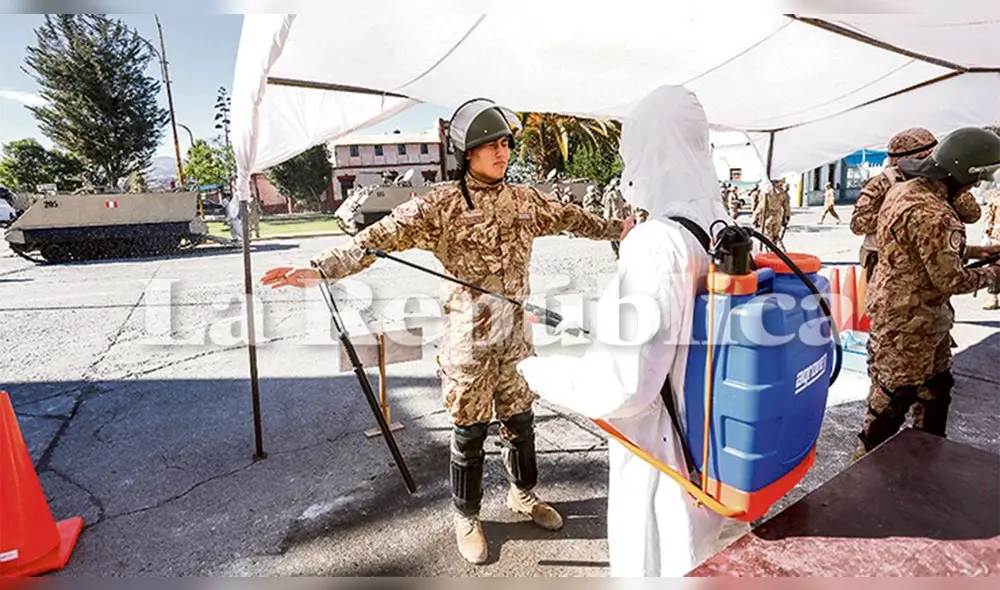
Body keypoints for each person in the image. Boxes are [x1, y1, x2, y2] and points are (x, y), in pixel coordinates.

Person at [261, 97, 634, 565]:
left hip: (516, 339)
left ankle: (523, 497)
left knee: (520, 423)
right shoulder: (440, 205)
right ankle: (468, 517)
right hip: (468, 344)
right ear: (467, 153)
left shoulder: (525, 200)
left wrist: (619, 230)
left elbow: (573, 219)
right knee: (470, 432)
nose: (501, 152)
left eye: (504, 144)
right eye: (489, 145)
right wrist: (317, 269)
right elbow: (373, 241)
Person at [516, 85, 748, 577]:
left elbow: (625, 386)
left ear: (650, 148)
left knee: (661, 563)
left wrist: (540, 371)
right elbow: (678, 323)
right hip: (706, 446)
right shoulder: (719, 222)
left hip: (662, 453)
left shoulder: (656, 241)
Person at [852, 126, 1000, 462]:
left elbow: (921, 252)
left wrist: (979, 251)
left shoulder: (906, 191)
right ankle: (862, 470)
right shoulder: (935, 213)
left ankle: (925, 456)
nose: (977, 185)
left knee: (935, 388)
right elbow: (951, 280)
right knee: (894, 397)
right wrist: (992, 273)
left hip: (911, 314)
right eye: (978, 177)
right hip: (910, 321)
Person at [851, 127, 982, 283]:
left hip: (932, 260)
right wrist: (900, 211)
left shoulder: (942, 180)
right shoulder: (882, 183)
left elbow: (973, 214)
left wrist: (950, 194)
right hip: (888, 267)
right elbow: (858, 224)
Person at [754, 178, 790, 250]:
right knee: (776, 236)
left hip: (768, 216)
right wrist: (787, 217)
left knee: (768, 237)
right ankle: (781, 251)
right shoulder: (783, 192)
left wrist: (755, 217)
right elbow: (787, 207)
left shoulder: (767, 192)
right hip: (778, 216)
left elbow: (761, 206)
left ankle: (771, 253)